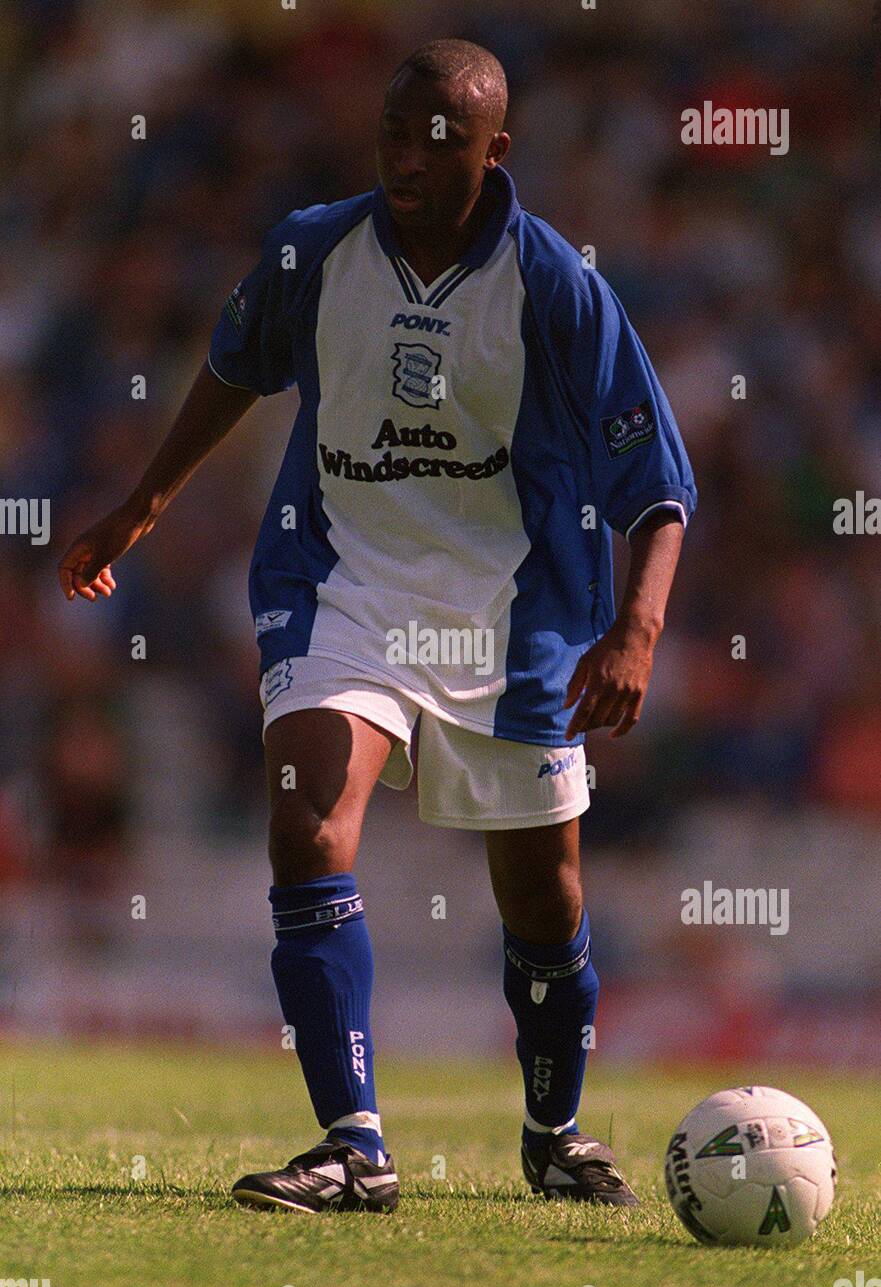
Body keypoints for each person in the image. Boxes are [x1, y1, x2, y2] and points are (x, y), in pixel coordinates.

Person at [59, 38, 696, 1215]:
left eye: (437, 139)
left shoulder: (555, 283)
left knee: (544, 902)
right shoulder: (313, 248)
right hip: (341, 586)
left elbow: (655, 482)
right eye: (392, 136)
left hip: (511, 621)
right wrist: (141, 503)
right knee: (304, 823)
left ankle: (553, 1130)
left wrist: (637, 631)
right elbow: (233, 366)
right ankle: (352, 1144)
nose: (408, 159)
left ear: (494, 149)